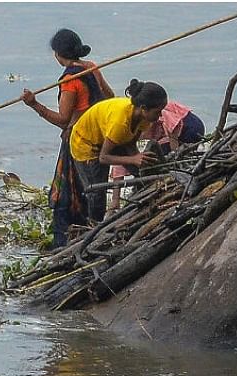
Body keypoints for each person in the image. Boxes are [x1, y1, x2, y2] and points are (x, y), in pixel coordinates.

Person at [20, 28, 114, 248]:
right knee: (94, 187)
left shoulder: (71, 80)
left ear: (58, 54)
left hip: (78, 140)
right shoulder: (91, 68)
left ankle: (65, 245)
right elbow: (109, 97)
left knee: (67, 196)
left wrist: (35, 105)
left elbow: (63, 120)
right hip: (100, 136)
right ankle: (91, 232)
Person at [69, 79, 167, 222]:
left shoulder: (145, 119)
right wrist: (133, 159)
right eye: (158, 112)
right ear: (144, 108)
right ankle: (94, 225)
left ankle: (144, 205)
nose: (161, 116)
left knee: (141, 171)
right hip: (86, 144)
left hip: (107, 138)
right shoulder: (120, 122)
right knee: (97, 192)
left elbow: (130, 143)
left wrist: (136, 159)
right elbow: (103, 157)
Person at [107, 99, 205, 209]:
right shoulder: (123, 132)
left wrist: (175, 155)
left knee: (167, 161)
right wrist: (115, 200)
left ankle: (178, 180)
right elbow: (119, 165)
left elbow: (172, 124)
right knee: (155, 160)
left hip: (188, 126)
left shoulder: (148, 112)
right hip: (171, 134)